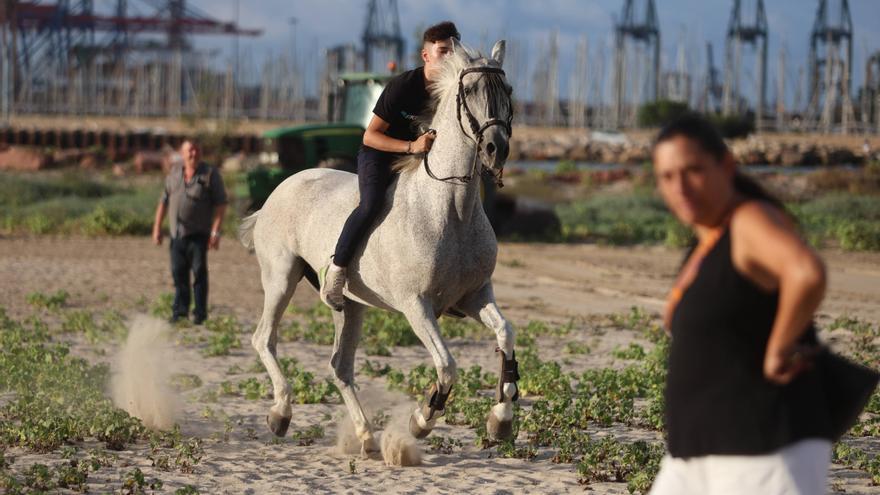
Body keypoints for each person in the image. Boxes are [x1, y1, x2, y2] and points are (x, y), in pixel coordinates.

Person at [649, 115, 835, 495]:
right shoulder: (709, 242)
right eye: (667, 176)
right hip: (698, 450)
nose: (680, 186)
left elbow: (806, 272)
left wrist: (780, 347)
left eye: (693, 170)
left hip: (760, 447)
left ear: (726, 166)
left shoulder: (749, 220)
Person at [320, 21, 461, 311]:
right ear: (426, 56)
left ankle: (454, 286)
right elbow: (370, 135)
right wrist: (411, 146)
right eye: (443, 51)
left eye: (455, 52)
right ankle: (336, 270)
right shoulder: (403, 86)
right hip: (381, 154)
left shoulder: (454, 91)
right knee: (370, 204)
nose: (450, 58)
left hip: (422, 162)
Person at [152, 139, 228, 325]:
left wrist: (215, 232)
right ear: (182, 153)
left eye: (196, 149)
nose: (193, 153)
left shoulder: (210, 174)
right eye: (189, 150)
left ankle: (200, 314)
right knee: (178, 273)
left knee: (199, 273)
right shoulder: (174, 173)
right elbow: (164, 201)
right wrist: (157, 228)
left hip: (199, 234)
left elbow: (221, 205)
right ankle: (180, 312)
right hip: (176, 234)